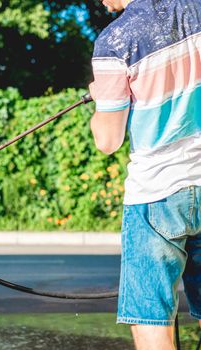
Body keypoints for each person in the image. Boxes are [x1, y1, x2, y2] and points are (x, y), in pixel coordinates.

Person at [89, 0, 201, 349]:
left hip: (156, 194)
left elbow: (107, 140)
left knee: (151, 321)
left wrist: (99, 103)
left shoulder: (116, 41)